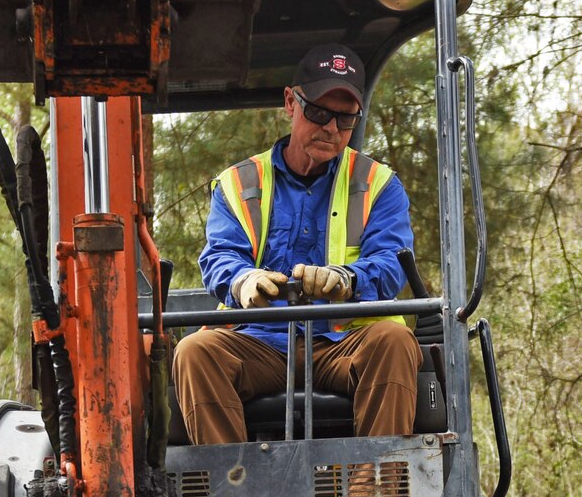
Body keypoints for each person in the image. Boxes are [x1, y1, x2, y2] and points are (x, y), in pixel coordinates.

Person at [173, 45, 421, 445]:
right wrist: (245, 282)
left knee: (394, 341)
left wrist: (346, 279)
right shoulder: (239, 184)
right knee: (195, 352)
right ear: (291, 102)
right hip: (259, 341)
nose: (330, 128)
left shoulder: (379, 184)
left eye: (345, 119)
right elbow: (220, 256)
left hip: (342, 341)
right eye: (320, 112)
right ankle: (236, 496)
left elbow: (392, 262)